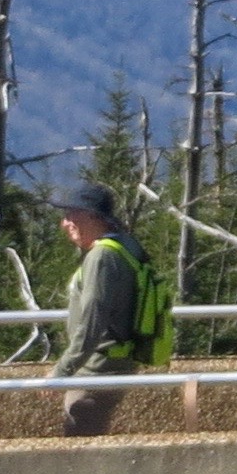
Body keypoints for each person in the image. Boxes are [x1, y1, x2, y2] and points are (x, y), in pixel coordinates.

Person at [50, 181, 162, 436]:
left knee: (79, 444)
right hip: (115, 362)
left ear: (92, 216)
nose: (64, 224)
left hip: (97, 368)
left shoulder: (102, 257)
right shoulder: (124, 247)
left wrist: (63, 369)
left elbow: (93, 319)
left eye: (70, 215)